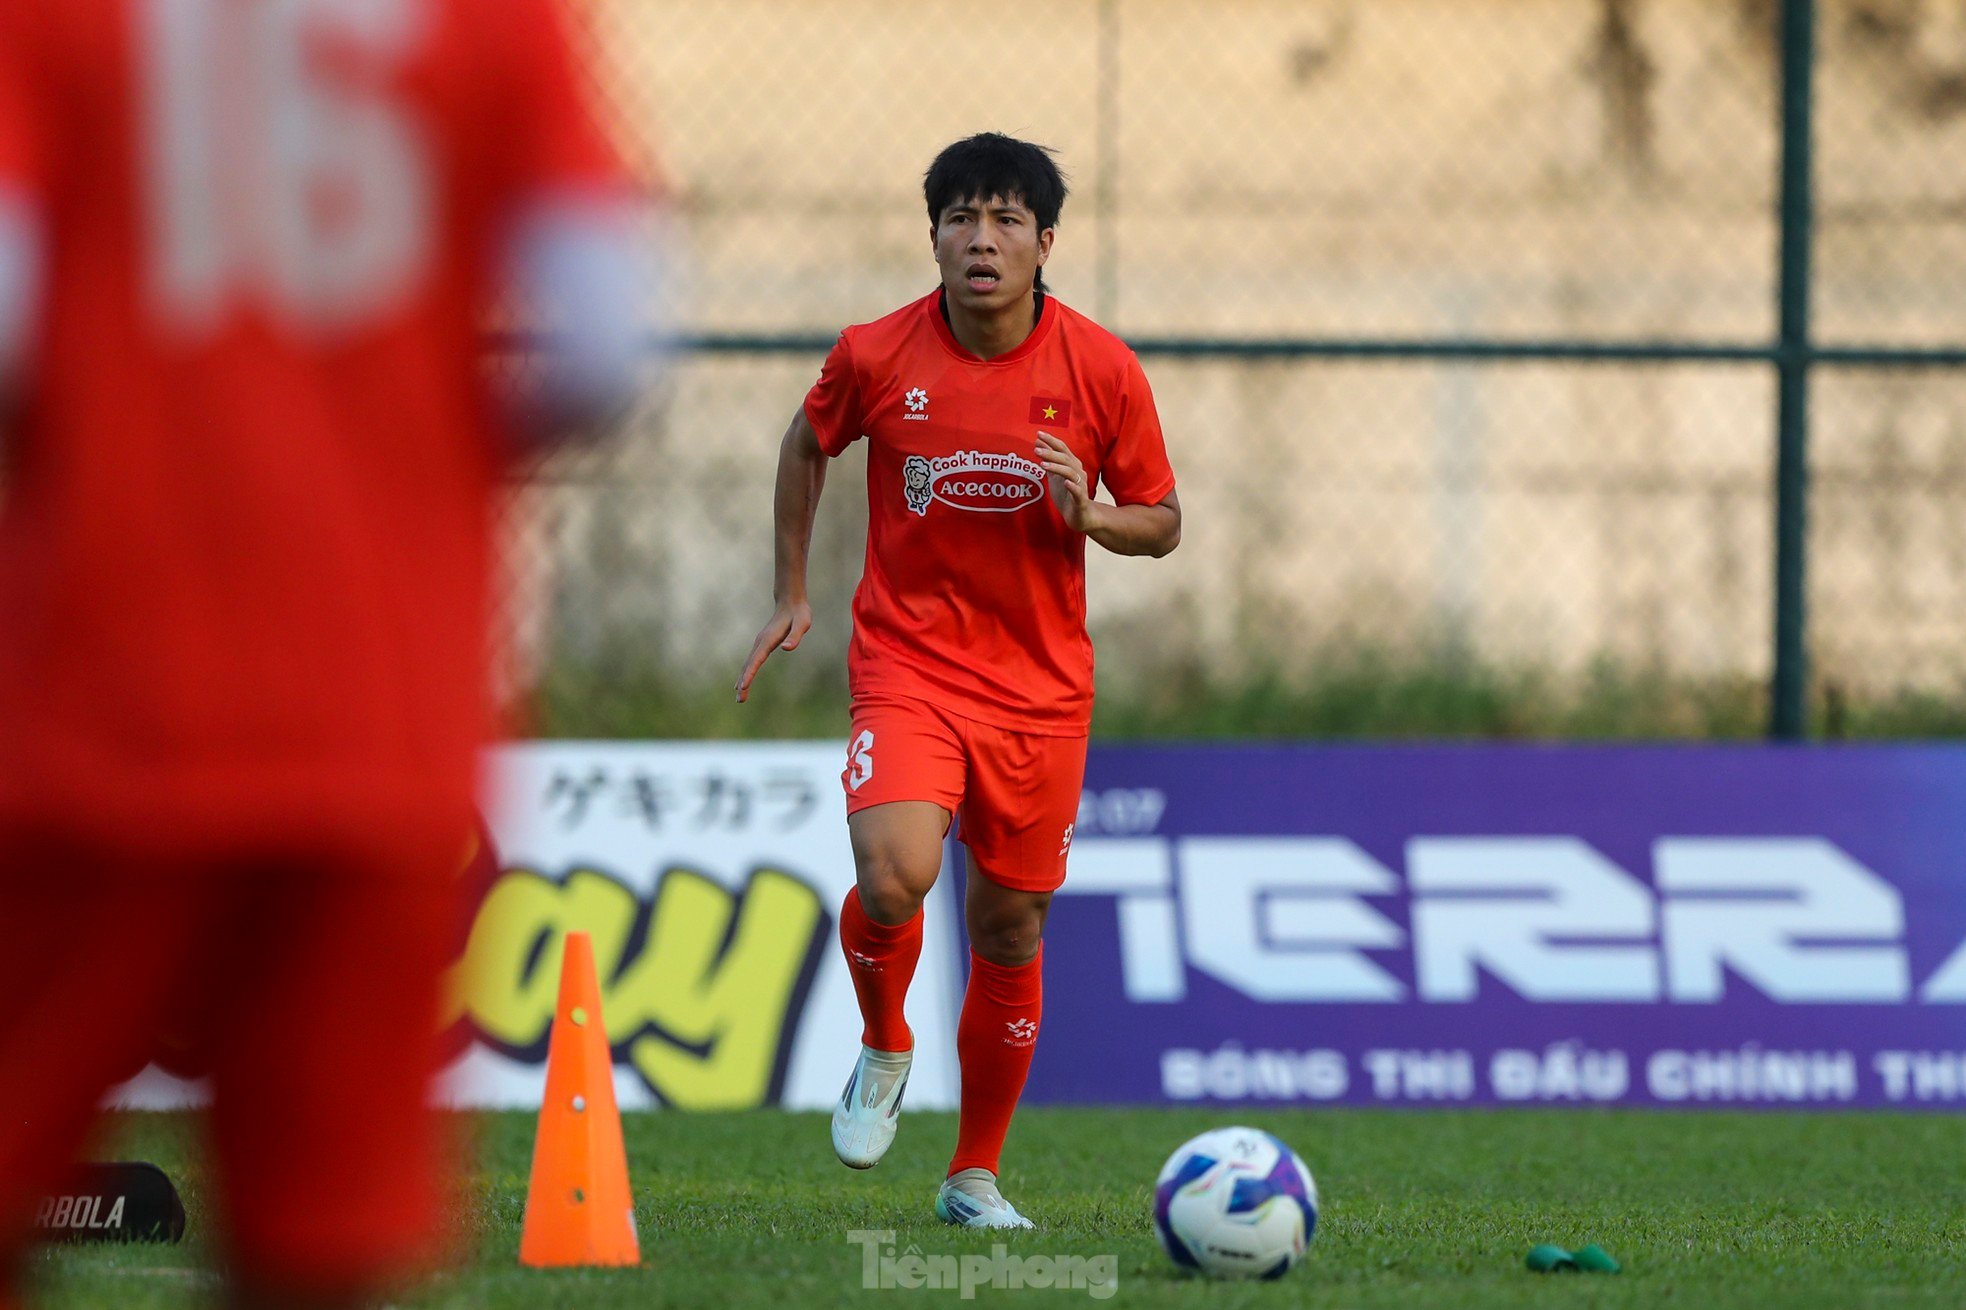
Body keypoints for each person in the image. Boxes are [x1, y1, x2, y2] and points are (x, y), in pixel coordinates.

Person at [0, 0, 660, 1304]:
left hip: (104, 703)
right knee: (320, 1252)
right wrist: (408, 453)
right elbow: (602, 344)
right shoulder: (500, 21)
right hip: (382, 723)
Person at [735, 132, 1180, 1229]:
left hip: (1038, 690)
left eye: (1006, 221)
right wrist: (792, 590)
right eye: (959, 219)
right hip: (908, 663)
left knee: (1011, 929)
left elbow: (1163, 522)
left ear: (1044, 243)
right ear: (931, 234)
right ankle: (886, 1039)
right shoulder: (877, 354)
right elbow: (807, 441)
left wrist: (1095, 519)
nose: (981, 240)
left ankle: (972, 1173)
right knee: (893, 875)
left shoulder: (1102, 369)